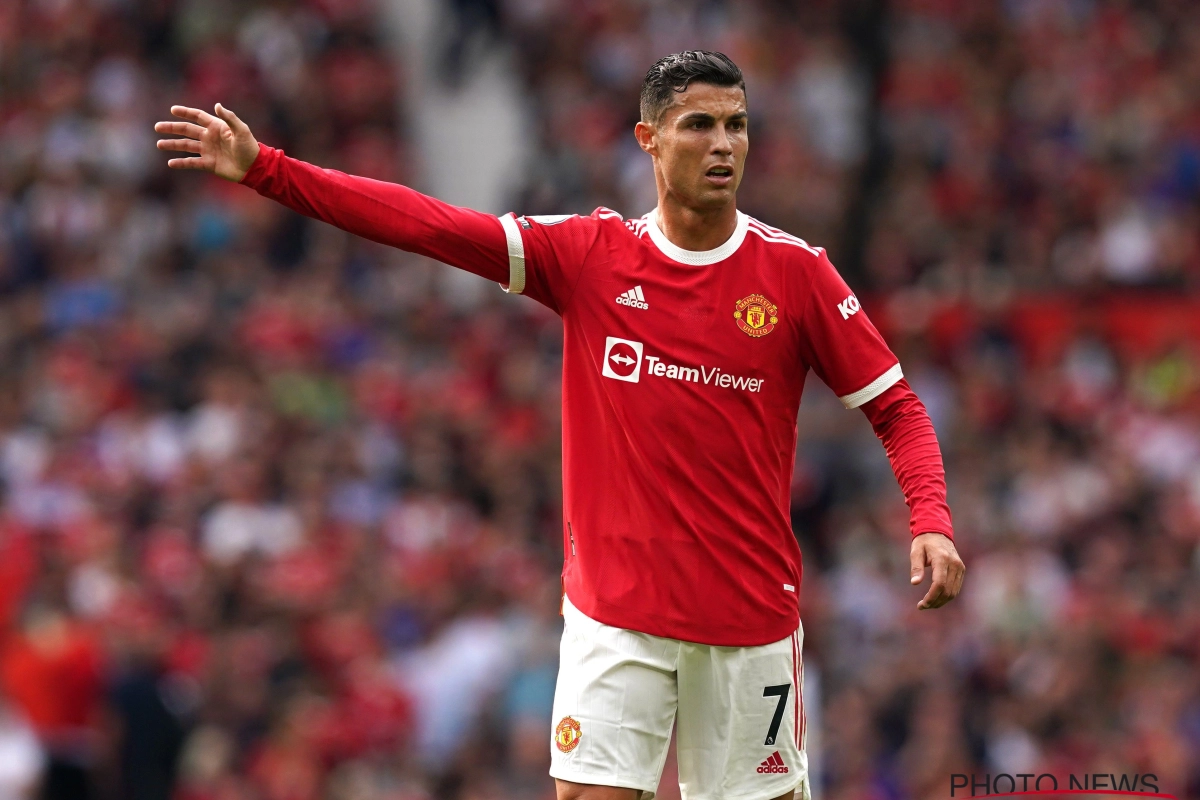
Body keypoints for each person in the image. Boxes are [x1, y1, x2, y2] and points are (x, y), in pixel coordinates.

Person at [155, 50, 965, 800]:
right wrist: (269, 171)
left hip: (749, 623)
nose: (724, 144)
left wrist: (930, 519)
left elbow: (897, 408)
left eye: (737, 124)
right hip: (617, 618)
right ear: (650, 139)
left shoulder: (796, 274)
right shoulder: (590, 257)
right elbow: (428, 225)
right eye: (700, 124)